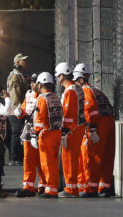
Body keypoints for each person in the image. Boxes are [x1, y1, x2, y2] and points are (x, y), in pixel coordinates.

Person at [73, 64, 115, 198]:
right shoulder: (96, 90)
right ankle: (104, 187)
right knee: (106, 156)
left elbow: (90, 108)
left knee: (91, 156)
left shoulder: (84, 90)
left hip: (97, 123)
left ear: (80, 79)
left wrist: (93, 129)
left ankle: (91, 188)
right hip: (109, 122)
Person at [55, 62, 86, 198]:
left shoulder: (70, 90)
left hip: (72, 129)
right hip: (77, 127)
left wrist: (65, 131)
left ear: (62, 75)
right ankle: (73, 187)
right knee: (74, 157)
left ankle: (71, 188)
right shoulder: (76, 88)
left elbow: (68, 113)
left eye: (58, 76)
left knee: (68, 158)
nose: (57, 78)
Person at [31, 72, 63, 198]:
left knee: (47, 163)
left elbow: (40, 118)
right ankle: (52, 187)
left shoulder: (42, 98)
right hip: (57, 133)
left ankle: (51, 190)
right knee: (54, 163)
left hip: (46, 135)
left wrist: (34, 135)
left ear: (40, 84)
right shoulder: (55, 97)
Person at [14, 73, 46, 197]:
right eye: (31, 82)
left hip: (42, 131)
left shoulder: (45, 96)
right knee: (28, 159)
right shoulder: (29, 95)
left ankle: (44, 185)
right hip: (29, 130)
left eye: (34, 82)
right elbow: (23, 110)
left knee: (42, 160)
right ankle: (28, 186)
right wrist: (19, 112)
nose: (32, 85)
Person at [6, 53, 29, 165]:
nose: (26, 63)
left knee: (19, 133)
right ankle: (14, 158)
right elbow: (15, 93)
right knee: (16, 133)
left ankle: (17, 157)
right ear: (18, 63)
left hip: (19, 108)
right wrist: (17, 107)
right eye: (23, 61)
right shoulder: (15, 76)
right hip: (16, 109)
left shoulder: (19, 75)